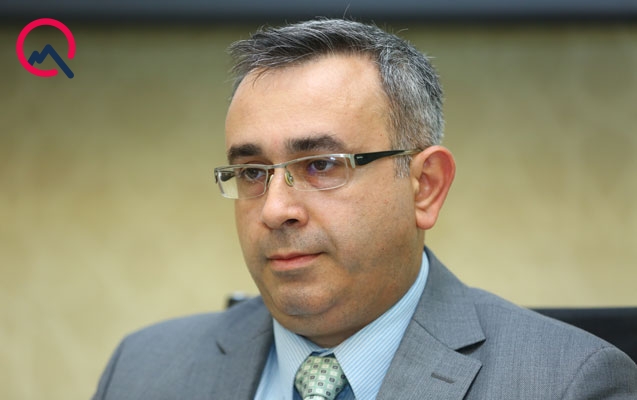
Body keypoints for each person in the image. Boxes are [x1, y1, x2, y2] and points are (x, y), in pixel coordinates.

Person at [92, 18, 637, 399]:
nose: (275, 209)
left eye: (321, 165)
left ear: (425, 187)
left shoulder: (570, 383)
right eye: (253, 172)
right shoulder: (142, 372)